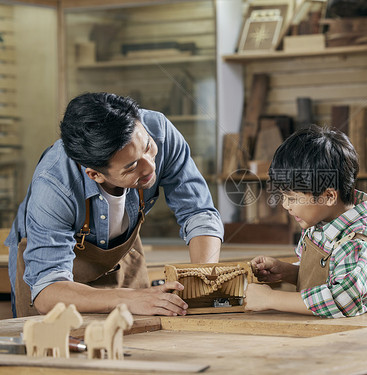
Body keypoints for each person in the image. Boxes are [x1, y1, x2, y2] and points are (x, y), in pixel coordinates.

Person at [6, 92, 223, 317]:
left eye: (148, 147)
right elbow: (48, 291)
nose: (150, 168)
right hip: (57, 276)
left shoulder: (159, 131)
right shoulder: (54, 185)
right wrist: (128, 299)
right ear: (95, 174)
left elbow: (198, 212)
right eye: (131, 167)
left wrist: (203, 279)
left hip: (121, 255)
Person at [245, 125, 367, 318]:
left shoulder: (356, 239)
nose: (285, 205)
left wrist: (271, 299)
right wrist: (287, 272)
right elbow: (326, 274)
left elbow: (344, 298)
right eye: (284, 197)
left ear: (328, 196)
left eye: (292, 198)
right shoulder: (320, 221)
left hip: (344, 338)